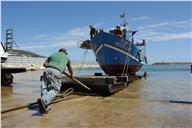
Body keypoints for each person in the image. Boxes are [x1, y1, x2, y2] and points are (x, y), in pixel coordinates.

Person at [37, 48, 73, 114]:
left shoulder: (53, 55)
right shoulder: (67, 58)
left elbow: (44, 64)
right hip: (57, 71)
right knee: (55, 89)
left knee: (45, 87)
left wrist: (51, 66)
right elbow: (70, 68)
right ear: (65, 52)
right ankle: (44, 100)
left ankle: (44, 106)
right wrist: (71, 75)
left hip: (47, 70)